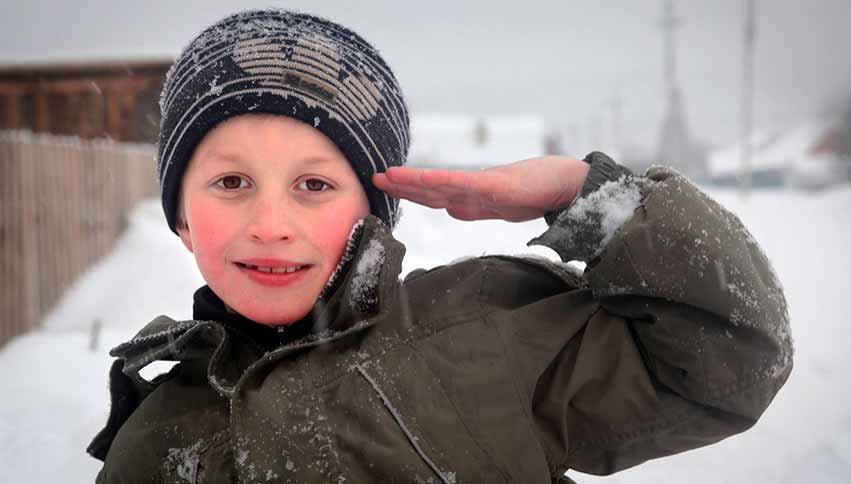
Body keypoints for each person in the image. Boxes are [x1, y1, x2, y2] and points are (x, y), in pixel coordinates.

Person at [87, 8, 793, 484]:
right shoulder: (154, 436)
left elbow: (729, 357)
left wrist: (588, 198)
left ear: (377, 208)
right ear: (180, 216)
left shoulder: (487, 330)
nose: (271, 223)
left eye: (313, 185)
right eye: (232, 182)